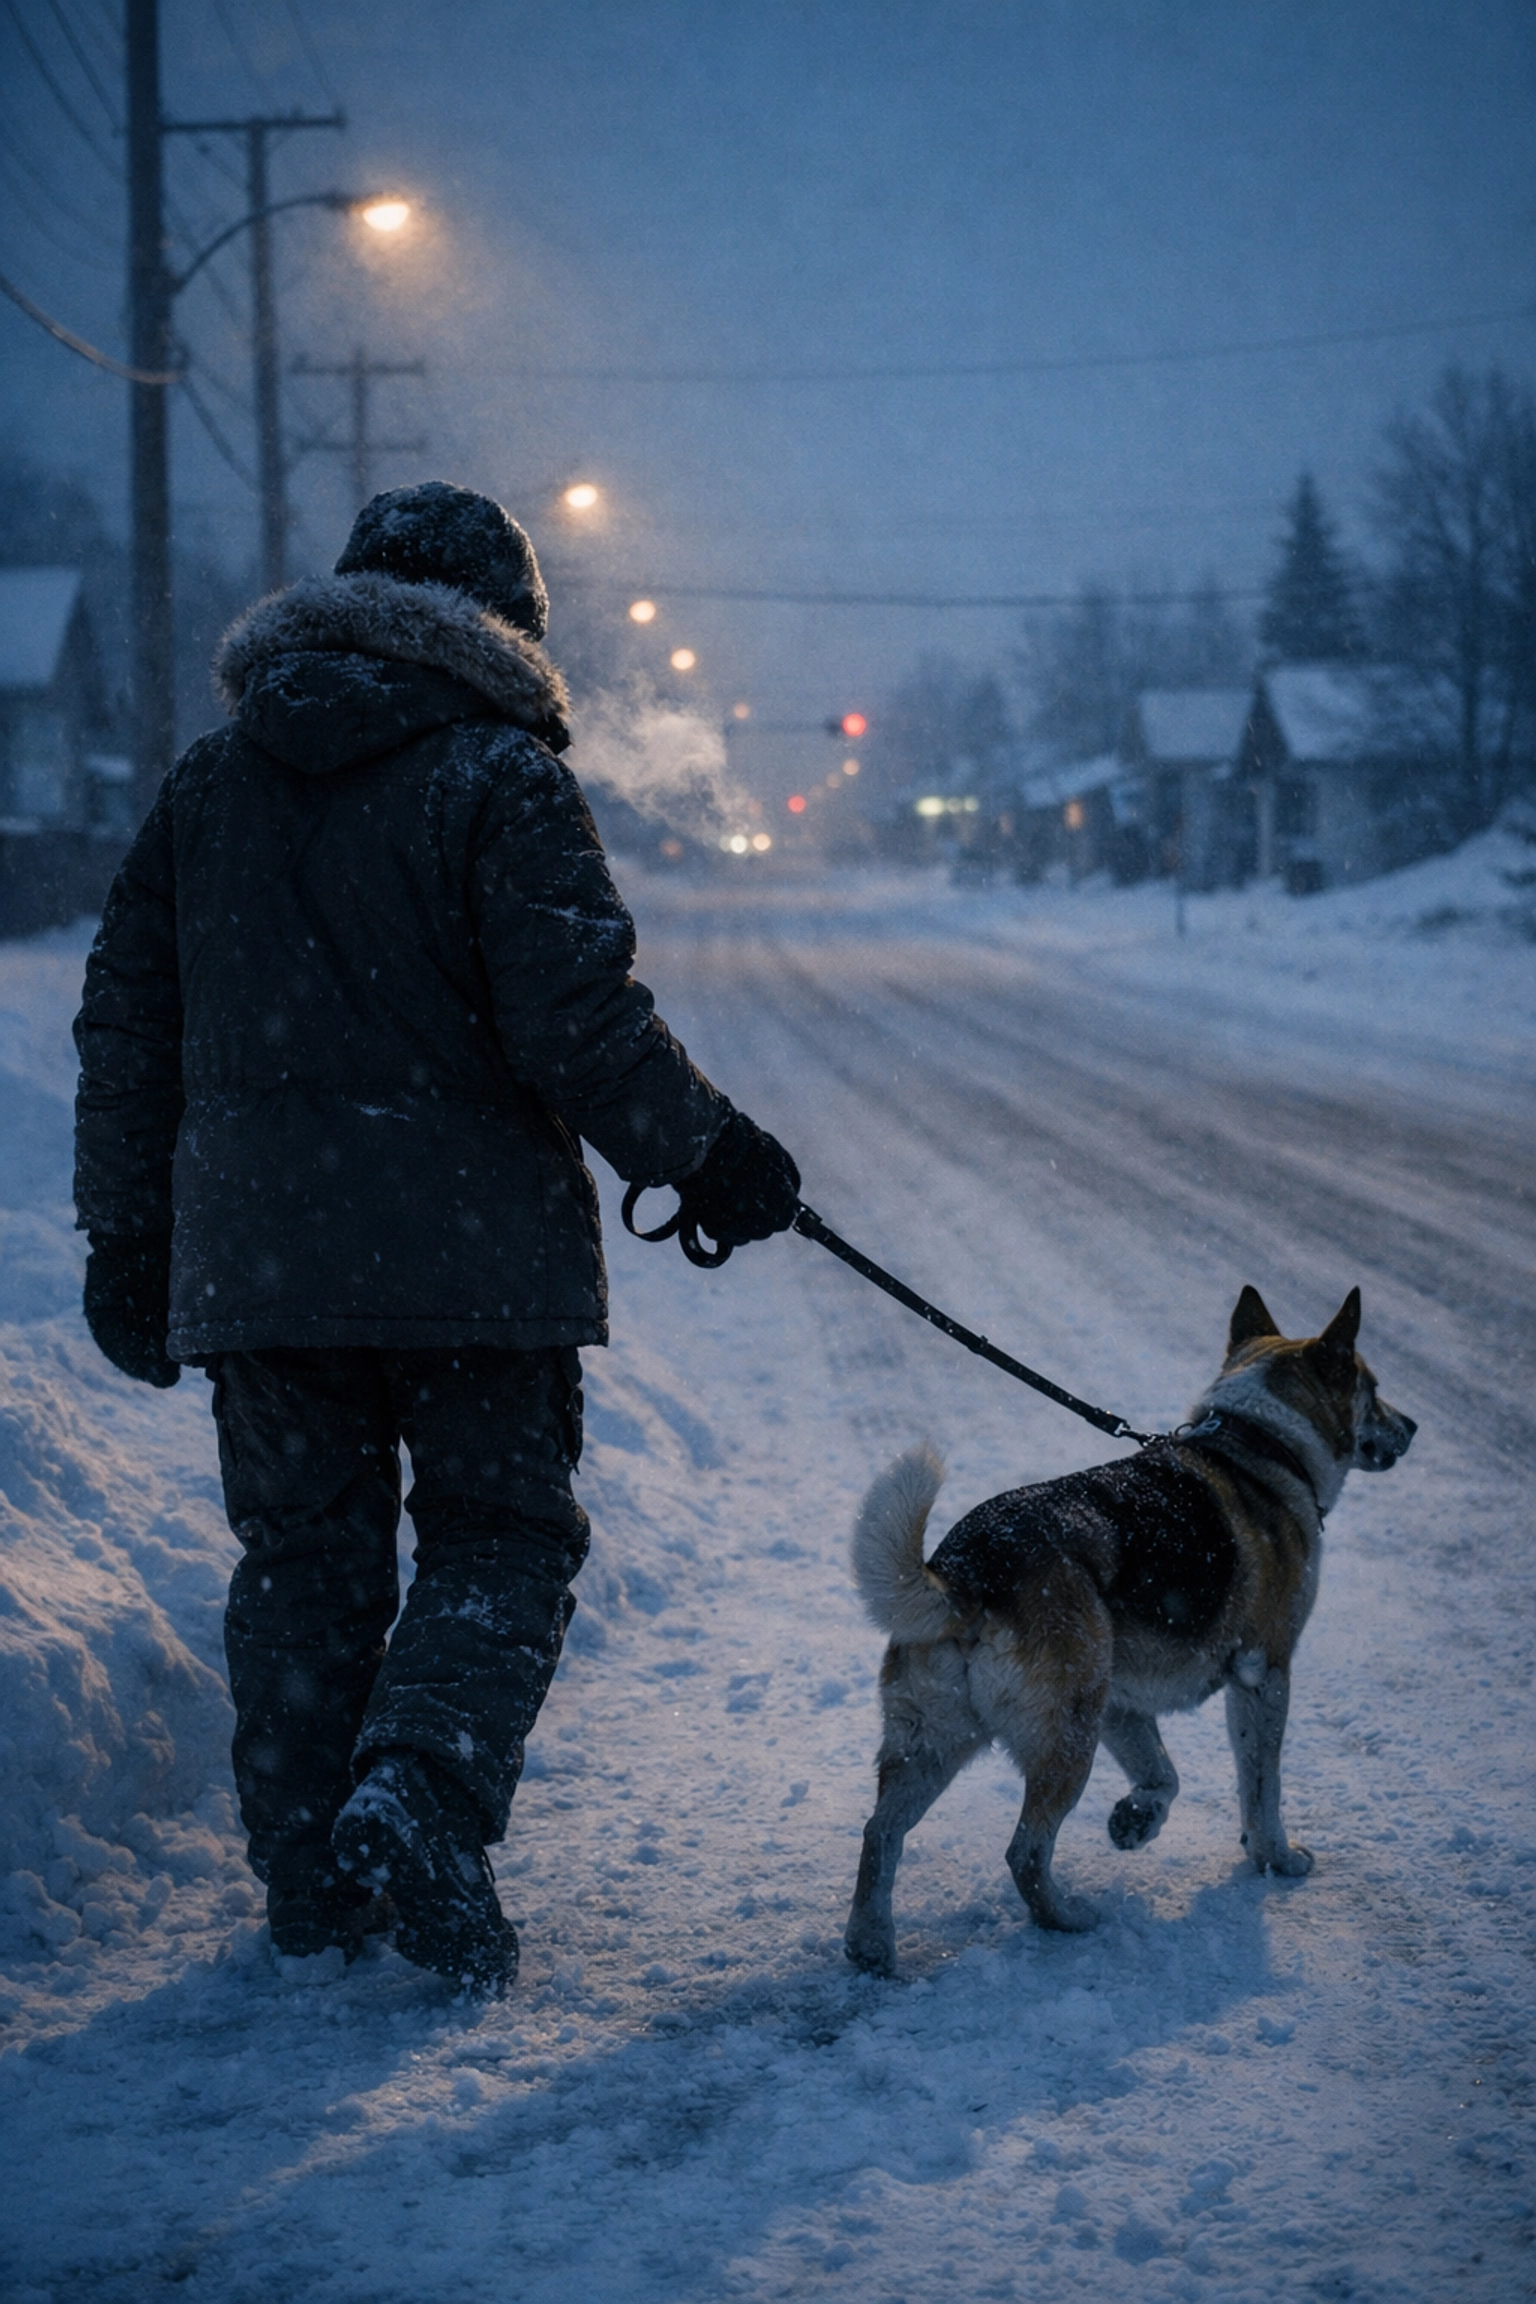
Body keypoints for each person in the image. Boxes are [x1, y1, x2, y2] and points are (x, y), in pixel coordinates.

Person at [73, 482, 800, 1997]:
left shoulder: (209, 787)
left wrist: (128, 1234)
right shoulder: (498, 776)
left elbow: (129, 1025)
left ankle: (310, 1883)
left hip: (261, 1267)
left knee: (302, 1561)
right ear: (504, 628)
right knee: (500, 1534)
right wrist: (712, 1154)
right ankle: (417, 1787)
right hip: (473, 1256)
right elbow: (577, 1023)